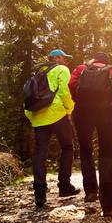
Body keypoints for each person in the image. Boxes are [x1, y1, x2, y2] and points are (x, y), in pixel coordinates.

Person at [69, 52, 112, 217]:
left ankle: (90, 191)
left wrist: (79, 101)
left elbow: (71, 85)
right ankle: (109, 206)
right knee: (106, 154)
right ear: (106, 61)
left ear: (93, 60)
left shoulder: (81, 68)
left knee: (85, 151)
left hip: (83, 112)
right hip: (107, 112)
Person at [24, 49, 80, 208]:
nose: (66, 62)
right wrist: (69, 110)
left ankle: (39, 194)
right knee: (67, 147)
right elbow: (65, 92)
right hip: (57, 114)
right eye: (65, 58)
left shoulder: (37, 73)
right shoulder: (61, 69)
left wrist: (32, 117)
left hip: (38, 117)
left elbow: (28, 98)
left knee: (39, 154)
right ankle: (64, 186)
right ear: (58, 58)